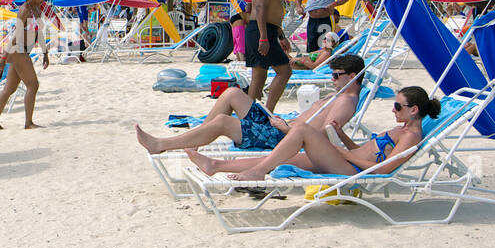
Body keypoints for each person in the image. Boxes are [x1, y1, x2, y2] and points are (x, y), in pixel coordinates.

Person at [187, 85, 440, 181]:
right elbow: (368, 151)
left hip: (352, 170)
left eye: (398, 106)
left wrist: (344, 154)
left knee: (302, 131)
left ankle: (256, 172)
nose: (393, 110)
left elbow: (384, 169)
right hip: (345, 159)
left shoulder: (410, 137)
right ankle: (216, 165)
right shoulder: (402, 129)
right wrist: (342, 138)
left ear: (414, 109)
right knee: (281, 158)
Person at [136, 54, 367, 156]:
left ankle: (160, 144)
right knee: (231, 93)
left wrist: (285, 128)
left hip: (284, 138)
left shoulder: (346, 101)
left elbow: (321, 137)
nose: (332, 79)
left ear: (353, 76)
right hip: (280, 127)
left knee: (223, 123)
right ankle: (195, 142)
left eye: (337, 76)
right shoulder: (339, 95)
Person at [0, 0, 48, 130]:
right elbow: (15, 35)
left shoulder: (37, 9)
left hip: (24, 50)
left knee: (9, 89)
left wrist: (45, 52)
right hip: (17, 49)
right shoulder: (24, 10)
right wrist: (4, 57)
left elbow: (39, 32)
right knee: (33, 85)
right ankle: (28, 123)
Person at [246, 0, 293, 111]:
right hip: (261, 30)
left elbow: (272, 10)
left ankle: (251, 115)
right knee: (285, 71)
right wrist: (264, 37)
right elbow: (260, 7)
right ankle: (268, 111)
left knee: (259, 77)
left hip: (267, 29)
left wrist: (281, 35)